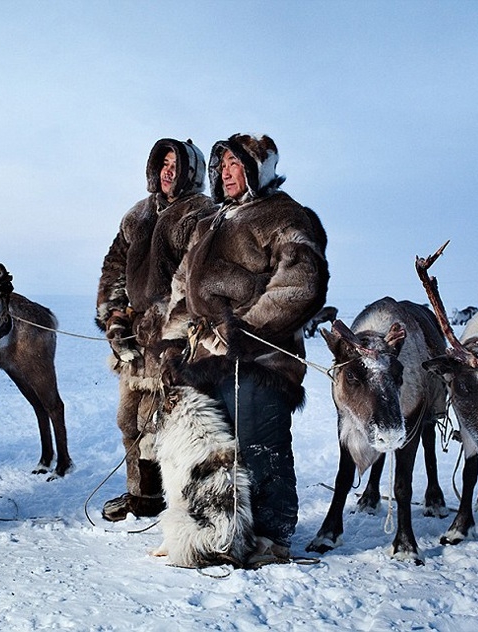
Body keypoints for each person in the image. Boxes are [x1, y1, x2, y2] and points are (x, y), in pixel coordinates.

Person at [163, 133, 329, 563]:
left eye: (236, 164)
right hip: (205, 358)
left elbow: (301, 283)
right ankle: (221, 531)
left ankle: (273, 538)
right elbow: (184, 287)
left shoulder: (285, 215)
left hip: (261, 358)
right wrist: (174, 342)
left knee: (260, 445)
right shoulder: (209, 223)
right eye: (222, 165)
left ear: (259, 169)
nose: (226, 172)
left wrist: (246, 331)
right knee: (215, 453)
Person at [96, 138, 215, 522]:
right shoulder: (137, 215)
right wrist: (115, 317)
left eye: (175, 163)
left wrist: (173, 329)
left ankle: (168, 499)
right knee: (129, 419)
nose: (168, 170)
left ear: (190, 170)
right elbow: (114, 265)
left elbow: (194, 276)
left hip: (172, 338)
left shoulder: (200, 212)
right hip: (132, 336)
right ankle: (140, 494)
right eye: (162, 162)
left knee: (163, 420)